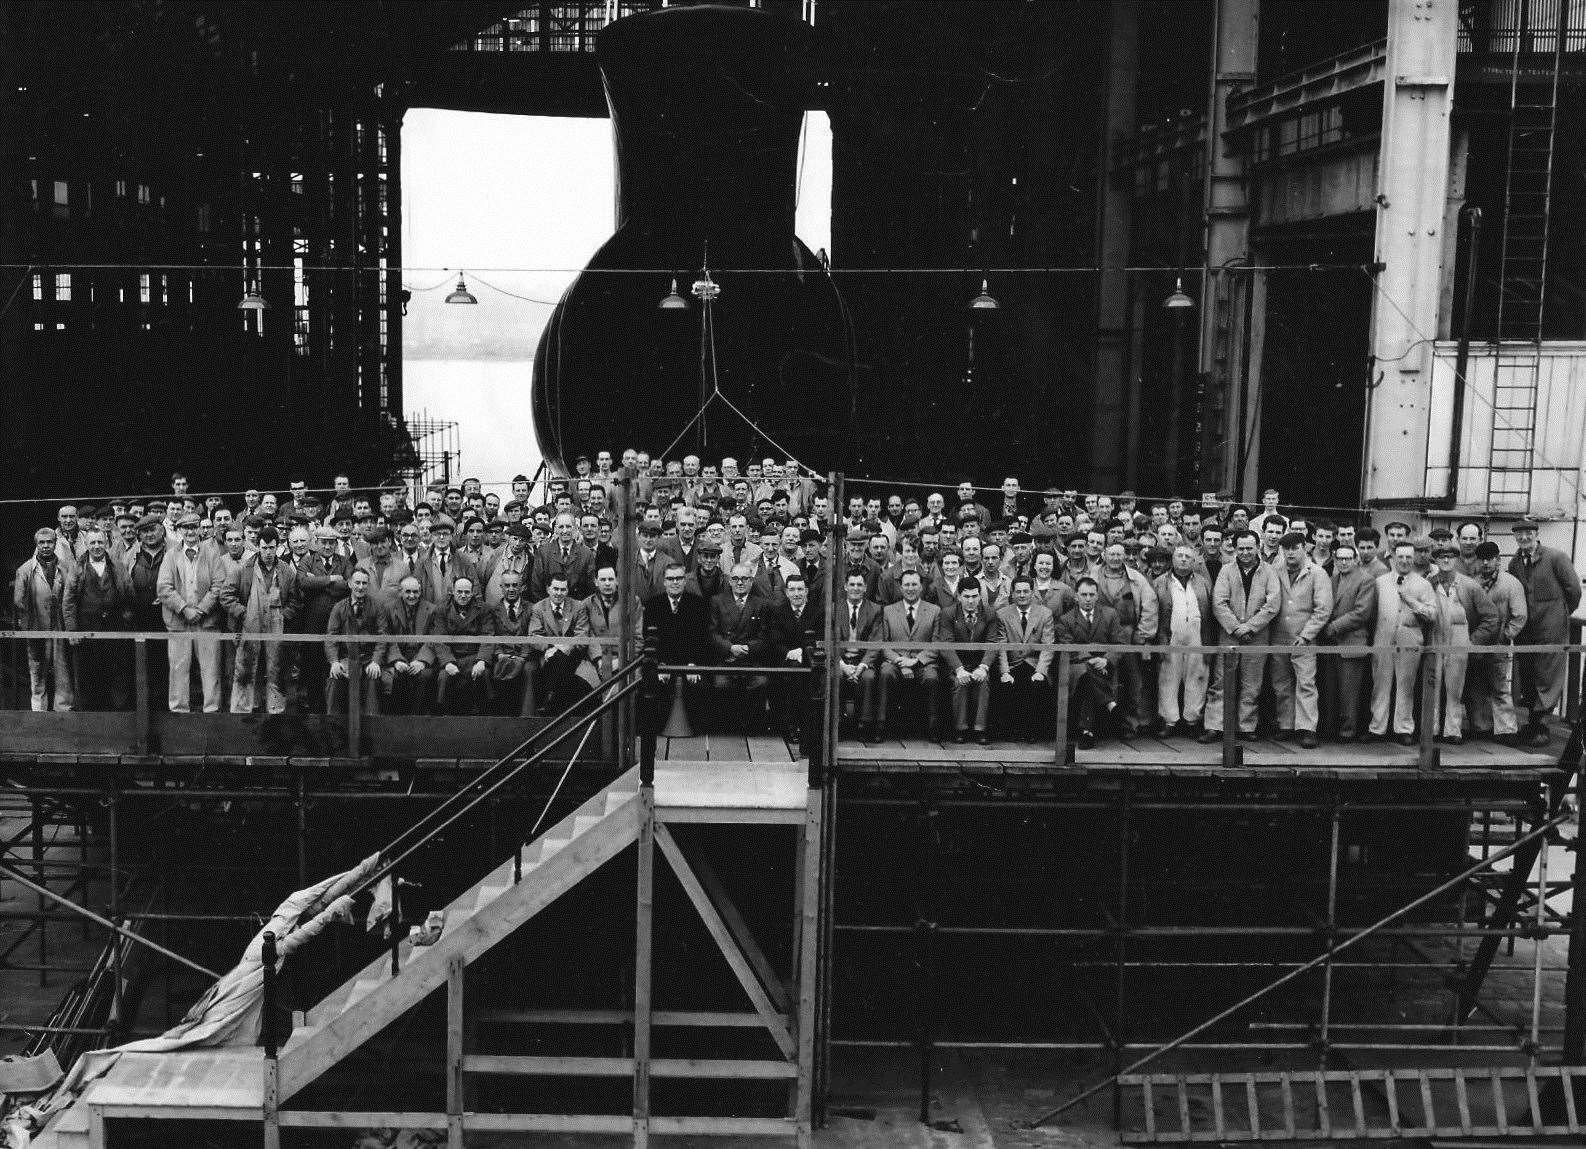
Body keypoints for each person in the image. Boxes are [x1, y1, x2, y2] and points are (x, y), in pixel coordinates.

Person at [1200, 530, 1281, 743]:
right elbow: (1218, 602)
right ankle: (1215, 726)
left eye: (1249, 548)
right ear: (1235, 548)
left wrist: (1251, 627)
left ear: (1257, 547)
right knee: (1220, 682)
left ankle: (1246, 727)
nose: (1245, 552)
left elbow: (1272, 604)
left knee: (1252, 684)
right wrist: (1236, 628)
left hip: (1257, 636)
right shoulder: (1226, 571)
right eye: (1241, 548)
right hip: (1229, 636)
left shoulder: (1269, 572)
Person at [1508, 518, 1582, 745]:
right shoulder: (1515, 563)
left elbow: (1574, 590)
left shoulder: (1555, 558)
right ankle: (1532, 721)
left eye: (1528, 533)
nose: (1524, 538)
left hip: (1551, 626)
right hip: (1527, 629)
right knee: (1528, 672)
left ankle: (1543, 725)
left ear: (1536, 533)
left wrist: (1559, 614)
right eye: (1519, 535)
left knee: (1548, 674)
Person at [221, 526, 301, 715]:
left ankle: (276, 712)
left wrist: (284, 615)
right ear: (258, 547)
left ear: (277, 547)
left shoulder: (286, 571)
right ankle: (241, 714)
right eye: (264, 548)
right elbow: (226, 595)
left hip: (276, 625)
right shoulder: (245, 569)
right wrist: (243, 612)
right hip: (250, 625)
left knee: (277, 670)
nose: (267, 553)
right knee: (245, 669)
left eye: (271, 548)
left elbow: (296, 599)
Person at [1368, 541, 1439, 745]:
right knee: (1380, 683)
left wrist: (1413, 603)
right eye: (1401, 557)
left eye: (1409, 557)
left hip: (1409, 637)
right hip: (1383, 636)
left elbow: (1432, 614)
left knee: (1405, 685)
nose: (1405, 561)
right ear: (1392, 556)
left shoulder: (1422, 584)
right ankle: (1377, 728)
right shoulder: (1380, 582)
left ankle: (1403, 728)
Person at [1427, 544, 1498, 744]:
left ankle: (1452, 730)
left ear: (1456, 559)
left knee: (1455, 687)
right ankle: (1432, 729)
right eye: (1442, 558)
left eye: (1450, 557)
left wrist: (1472, 640)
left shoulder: (1470, 586)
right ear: (1436, 561)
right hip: (1435, 640)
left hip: (1459, 640)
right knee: (1434, 684)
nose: (1446, 561)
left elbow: (1491, 617)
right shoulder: (1429, 583)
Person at [156, 513, 227, 713]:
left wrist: (202, 609)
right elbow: (163, 587)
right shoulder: (171, 555)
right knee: (178, 670)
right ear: (179, 530)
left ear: (200, 529)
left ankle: (212, 711)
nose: (190, 532)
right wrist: (184, 609)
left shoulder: (211, 553)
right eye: (185, 528)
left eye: (194, 527)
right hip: (179, 623)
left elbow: (219, 584)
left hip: (207, 622)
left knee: (211, 670)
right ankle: (179, 711)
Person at [1269, 531, 1334, 748]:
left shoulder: (1317, 573)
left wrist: (1306, 635)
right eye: (1286, 548)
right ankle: (1286, 725)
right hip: (1279, 636)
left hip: (1305, 639)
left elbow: (1323, 609)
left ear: (1304, 548)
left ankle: (1307, 728)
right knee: (1281, 684)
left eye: (1295, 548)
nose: (1290, 553)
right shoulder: (1275, 570)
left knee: (1306, 683)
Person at [64, 528, 134, 710]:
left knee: (117, 672)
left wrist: (126, 620)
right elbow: (69, 601)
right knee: (89, 674)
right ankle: (92, 716)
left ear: (106, 544)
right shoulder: (78, 567)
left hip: (115, 629)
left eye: (100, 542)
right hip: (87, 630)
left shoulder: (117, 566)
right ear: (86, 545)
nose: (97, 546)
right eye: (92, 543)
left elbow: (129, 595)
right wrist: (72, 630)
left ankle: (118, 716)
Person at [1055, 577, 1124, 749]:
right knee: (1085, 673)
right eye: (1083, 594)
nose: (1087, 599)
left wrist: (1106, 659)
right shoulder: (1066, 619)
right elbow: (1068, 647)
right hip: (1075, 667)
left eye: (1091, 594)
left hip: (1104, 667)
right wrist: (1092, 658)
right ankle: (1110, 703)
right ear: (1076, 596)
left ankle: (1086, 731)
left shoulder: (1110, 614)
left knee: (1088, 680)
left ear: (1097, 595)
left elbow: (1120, 644)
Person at [1470, 540, 1527, 744]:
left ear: (1497, 559)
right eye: (1482, 559)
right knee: (1476, 685)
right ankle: (1481, 727)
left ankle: (1506, 730)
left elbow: (1520, 615)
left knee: (1500, 685)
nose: (1486, 563)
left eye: (1490, 558)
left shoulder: (1511, 584)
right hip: (1477, 643)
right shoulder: (1473, 583)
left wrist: (1506, 636)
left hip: (1498, 643)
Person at [1153, 545, 1213, 737]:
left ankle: (1192, 719)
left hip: (1197, 635)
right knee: (1168, 677)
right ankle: (1169, 720)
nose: (1184, 559)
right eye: (1179, 556)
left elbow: (1211, 610)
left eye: (1188, 556)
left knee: (1197, 676)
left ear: (1194, 560)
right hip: (1170, 635)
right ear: (1173, 559)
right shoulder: (1160, 582)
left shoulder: (1203, 582)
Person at [1319, 544, 1376, 742]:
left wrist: (1333, 627)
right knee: (1331, 690)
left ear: (1355, 560)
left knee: (1350, 692)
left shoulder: (1366, 580)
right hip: (1330, 644)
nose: (1344, 562)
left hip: (1351, 642)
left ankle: (1348, 731)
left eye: (1348, 558)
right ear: (1335, 560)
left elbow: (1362, 613)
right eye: (1340, 559)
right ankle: (1331, 730)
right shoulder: (1332, 580)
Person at [14, 527, 74, 711]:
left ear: (55, 544)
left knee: (63, 673)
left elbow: (72, 597)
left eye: (49, 542)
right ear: (36, 545)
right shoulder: (25, 570)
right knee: (37, 675)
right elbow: (19, 602)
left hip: (60, 629)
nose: (46, 546)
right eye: (42, 542)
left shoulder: (66, 567)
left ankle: (63, 711)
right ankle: (38, 713)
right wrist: (29, 629)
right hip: (36, 629)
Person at [935, 576, 1000, 744]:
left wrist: (984, 667)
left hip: (979, 662)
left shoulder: (990, 613)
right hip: (956, 663)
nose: (971, 601)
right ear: (959, 596)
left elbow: (992, 642)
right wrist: (959, 669)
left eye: (974, 596)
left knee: (984, 681)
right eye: (966, 596)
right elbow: (946, 644)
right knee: (960, 683)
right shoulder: (948, 613)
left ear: (980, 596)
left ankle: (980, 730)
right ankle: (960, 729)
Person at [709, 563, 773, 729]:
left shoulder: (762, 604)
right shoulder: (717, 601)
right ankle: (727, 727)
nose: (740, 582)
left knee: (760, 682)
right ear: (729, 581)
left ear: (751, 581)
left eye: (744, 578)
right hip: (726, 659)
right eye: (735, 578)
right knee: (721, 683)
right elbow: (713, 633)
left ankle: (752, 727)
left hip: (750, 660)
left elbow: (764, 636)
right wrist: (730, 648)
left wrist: (747, 648)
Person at [880, 569, 943, 737]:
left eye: (914, 584)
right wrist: (900, 661)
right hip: (895, 662)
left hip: (923, 663)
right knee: (885, 673)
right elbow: (883, 644)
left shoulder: (934, 610)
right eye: (906, 584)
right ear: (900, 588)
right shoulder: (888, 611)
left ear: (921, 587)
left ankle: (933, 727)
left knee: (932, 677)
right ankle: (881, 725)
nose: (910, 588)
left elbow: (936, 643)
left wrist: (916, 662)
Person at [995, 575, 1055, 742]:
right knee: (1008, 684)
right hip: (1013, 664)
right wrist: (1005, 671)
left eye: (1025, 591)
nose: (1022, 595)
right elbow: (1001, 647)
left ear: (1032, 592)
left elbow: (1048, 646)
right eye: (1018, 591)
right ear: (1012, 594)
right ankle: (1012, 732)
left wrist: (1041, 671)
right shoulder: (1002, 614)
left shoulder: (1044, 614)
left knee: (1035, 684)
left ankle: (1032, 732)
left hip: (1034, 663)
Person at [430, 576, 497, 715]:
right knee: (443, 677)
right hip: (453, 658)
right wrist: (447, 663)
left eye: (467, 592)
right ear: (452, 592)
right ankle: (443, 717)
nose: (463, 595)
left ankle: (486, 717)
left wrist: (481, 661)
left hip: (475, 657)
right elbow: (440, 639)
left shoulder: (483, 609)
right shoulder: (442, 610)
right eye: (459, 591)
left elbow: (488, 637)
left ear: (472, 593)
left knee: (484, 675)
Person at [324, 567, 385, 714]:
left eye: (364, 583)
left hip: (368, 660)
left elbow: (382, 637)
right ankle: (332, 728)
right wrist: (334, 662)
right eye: (357, 582)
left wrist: (376, 661)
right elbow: (331, 637)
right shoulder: (339, 608)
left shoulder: (377, 607)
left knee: (373, 681)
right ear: (350, 583)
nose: (361, 587)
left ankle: (372, 729)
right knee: (334, 681)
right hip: (346, 659)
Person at [835, 570, 885, 743]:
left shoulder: (875, 610)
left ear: (865, 587)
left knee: (869, 677)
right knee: (836, 676)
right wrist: (842, 665)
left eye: (859, 585)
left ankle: (864, 725)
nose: (855, 588)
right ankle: (838, 724)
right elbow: (831, 641)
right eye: (852, 584)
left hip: (863, 661)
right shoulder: (835, 608)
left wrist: (861, 666)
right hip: (841, 661)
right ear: (845, 586)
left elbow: (875, 643)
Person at [380, 576, 439, 714]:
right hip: (399, 655)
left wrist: (422, 661)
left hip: (421, 656)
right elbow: (386, 636)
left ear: (420, 591)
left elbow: (434, 638)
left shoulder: (432, 610)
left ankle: (417, 719)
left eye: (415, 592)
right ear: (400, 592)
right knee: (395, 677)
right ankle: (397, 720)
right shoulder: (388, 609)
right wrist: (397, 660)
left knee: (424, 676)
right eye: (407, 592)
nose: (412, 596)